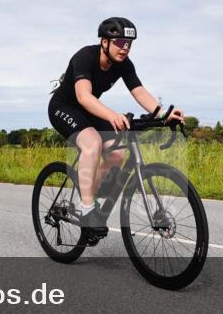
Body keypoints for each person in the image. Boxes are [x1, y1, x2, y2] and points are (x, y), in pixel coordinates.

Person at [48, 17, 183, 229]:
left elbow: (139, 92)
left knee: (117, 152)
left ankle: (89, 196)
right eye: (119, 42)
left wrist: (164, 114)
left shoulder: (124, 65)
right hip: (63, 107)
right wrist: (112, 115)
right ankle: (86, 209)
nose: (125, 48)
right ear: (104, 42)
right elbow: (83, 96)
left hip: (89, 110)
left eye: (129, 44)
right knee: (92, 144)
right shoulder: (85, 56)